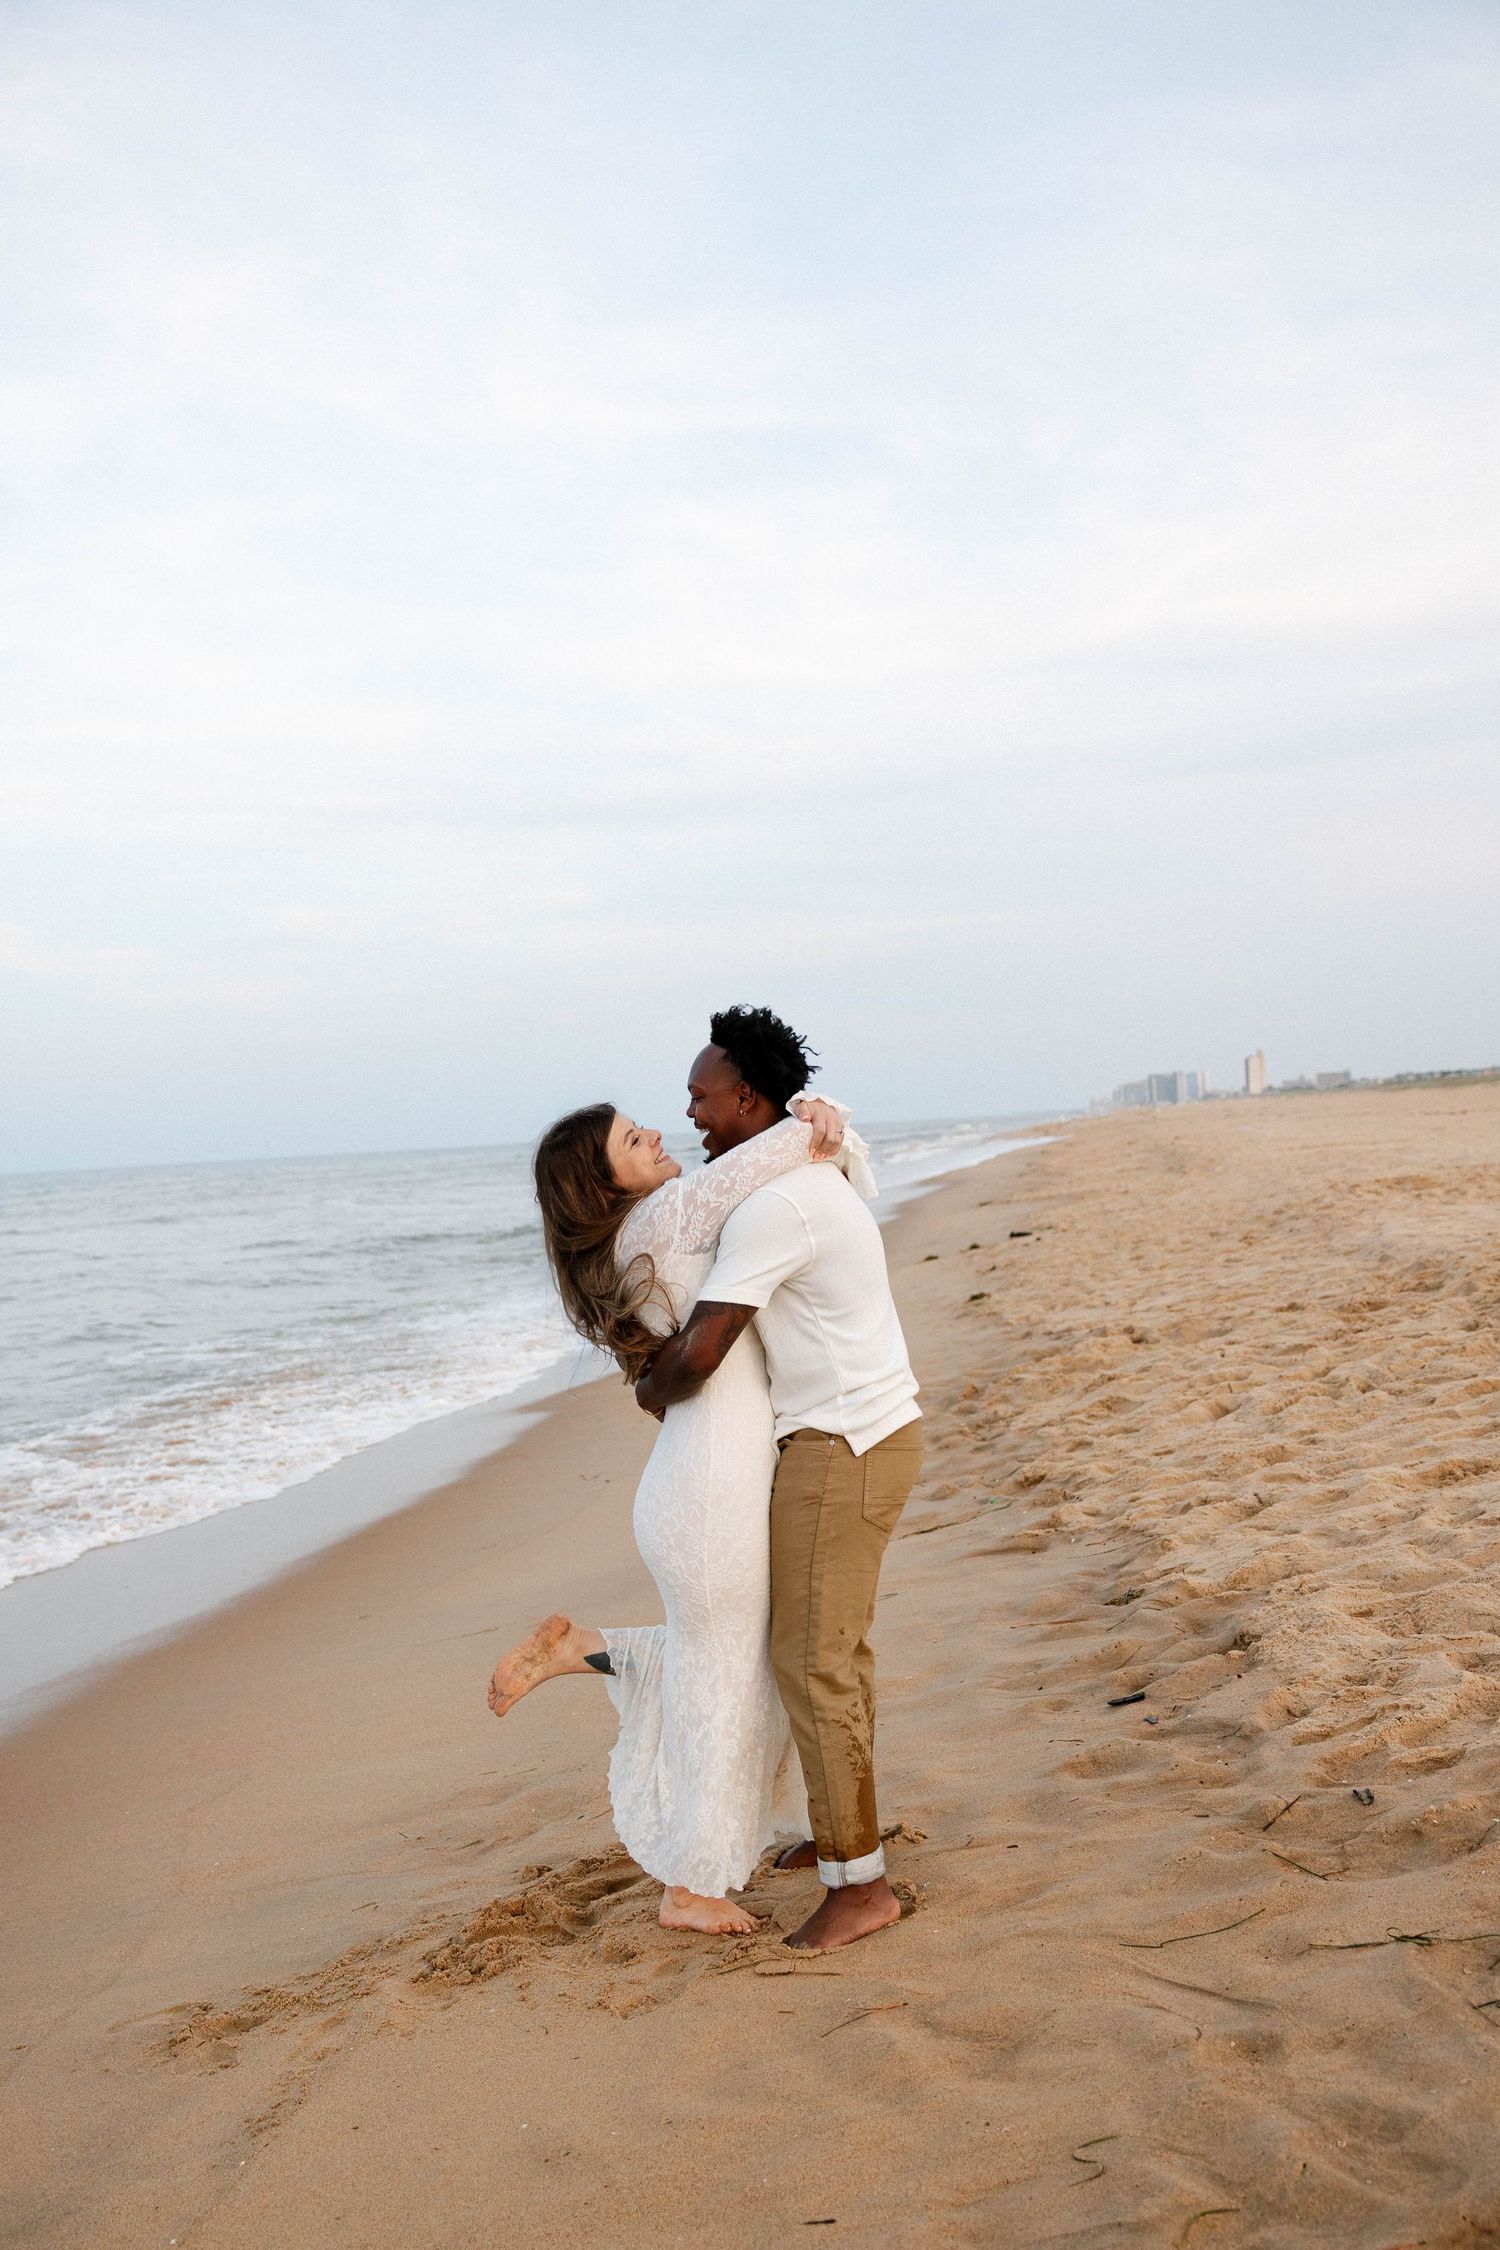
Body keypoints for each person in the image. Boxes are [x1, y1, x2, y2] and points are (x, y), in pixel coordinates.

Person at [487, 1020, 871, 1937]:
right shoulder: (661, 1219)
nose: (658, 1133)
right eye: (632, 1140)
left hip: (704, 1482)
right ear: (604, 1182)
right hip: (707, 1493)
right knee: (724, 1677)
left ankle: (582, 1648)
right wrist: (823, 1114)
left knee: (730, 1659)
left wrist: (823, 1127)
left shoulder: (637, 1237)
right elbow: (765, 1157)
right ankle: (691, 1884)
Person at [635, 1012, 924, 1954]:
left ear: (748, 1098)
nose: (691, 1115)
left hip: (844, 1444)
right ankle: (844, 1840)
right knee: (830, 1649)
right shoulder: (811, 1169)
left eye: (701, 1097)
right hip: (864, 1431)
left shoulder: (774, 1208)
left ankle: (862, 1887)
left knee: (811, 1659)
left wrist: (648, 1382)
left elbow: (702, 1353)